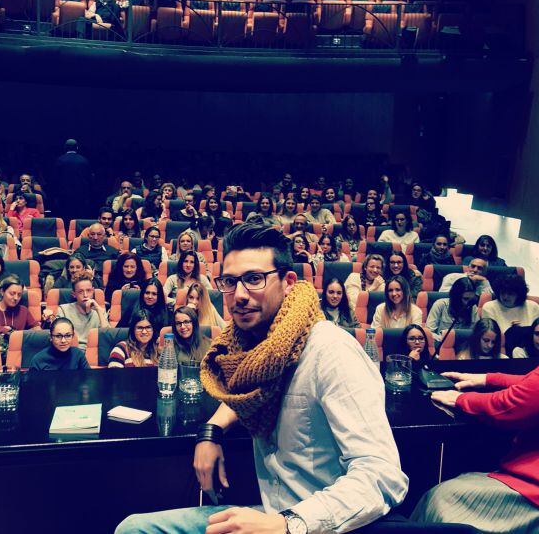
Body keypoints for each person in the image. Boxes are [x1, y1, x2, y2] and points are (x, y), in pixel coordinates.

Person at [116, 223, 407, 533]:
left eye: (254, 279)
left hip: (309, 523)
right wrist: (211, 430)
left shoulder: (331, 351)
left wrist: (287, 524)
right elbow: (251, 392)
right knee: (133, 528)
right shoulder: (256, 352)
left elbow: (383, 476)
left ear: (288, 282)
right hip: (270, 511)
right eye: (230, 281)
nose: (239, 295)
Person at [413, 364, 539, 533]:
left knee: (440, 499)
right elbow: (532, 383)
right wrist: (487, 379)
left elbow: (510, 404)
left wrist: (459, 399)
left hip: (535, 489)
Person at [0, 274, 41, 351]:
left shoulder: (23, 310)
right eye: (12, 294)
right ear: (2, 291)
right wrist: (22, 334)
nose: (16, 298)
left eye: (19, 295)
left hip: (20, 351)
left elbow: (37, 330)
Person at [55, 275, 110, 351]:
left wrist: (98, 310)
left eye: (88, 290)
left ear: (93, 291)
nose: (85, 295)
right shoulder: (63, 310)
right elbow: (59, 337)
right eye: (80, 291)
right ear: (74, 294)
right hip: (70, 350)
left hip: (95, 352)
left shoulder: (100, 311)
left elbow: (107, 337)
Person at [425, 277, 479, 347]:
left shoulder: (473, 307)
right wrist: (444, 337)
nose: (468, 303)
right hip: (442, 346)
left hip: (464, 347)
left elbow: (476, 333)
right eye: (465, 299)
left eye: (471, 299)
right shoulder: (440, 305)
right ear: (456, 297)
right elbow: (429, 333)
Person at [50, 139, 93, 220]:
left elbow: (54, 180)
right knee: (79, 218)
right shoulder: (84, 160)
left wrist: (55, 196)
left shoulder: (60, 160)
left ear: (65, 148)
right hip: (81, 196)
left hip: (64, 196)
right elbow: (89, 180)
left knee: (65, 218)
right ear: (77, 147)